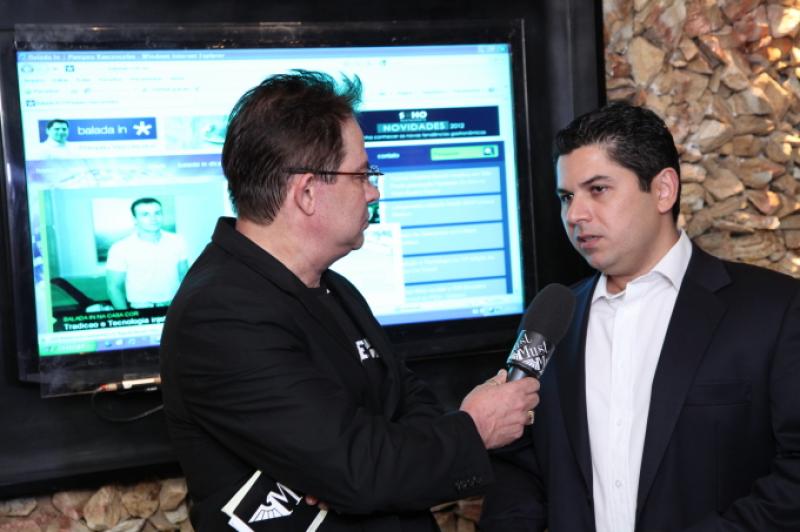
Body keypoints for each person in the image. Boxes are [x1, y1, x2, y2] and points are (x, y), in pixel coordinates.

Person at [159, 70, 541, 531]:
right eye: (361, 175)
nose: (374, 190)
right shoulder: (219, 315)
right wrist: (471, 429)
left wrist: (362, 465)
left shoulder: (335, 288)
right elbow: (359, 470)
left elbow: (407, 408)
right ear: (306, 193)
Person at [479, 101, 800, 531]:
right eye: (566, 197)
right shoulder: (549, 321)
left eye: (598, 189)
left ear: (664, 190)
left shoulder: (774, 310)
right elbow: (518, 463)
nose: (575, 215)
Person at [106, 197, 188, 309]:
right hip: (142, 308)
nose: (153, 218)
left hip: (175, 307)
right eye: (145, 214)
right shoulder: (120, 248)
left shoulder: (177, 241)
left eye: (157, 213)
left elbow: (185, 277)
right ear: (135, 219)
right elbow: (114, 287)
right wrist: (127, 316)